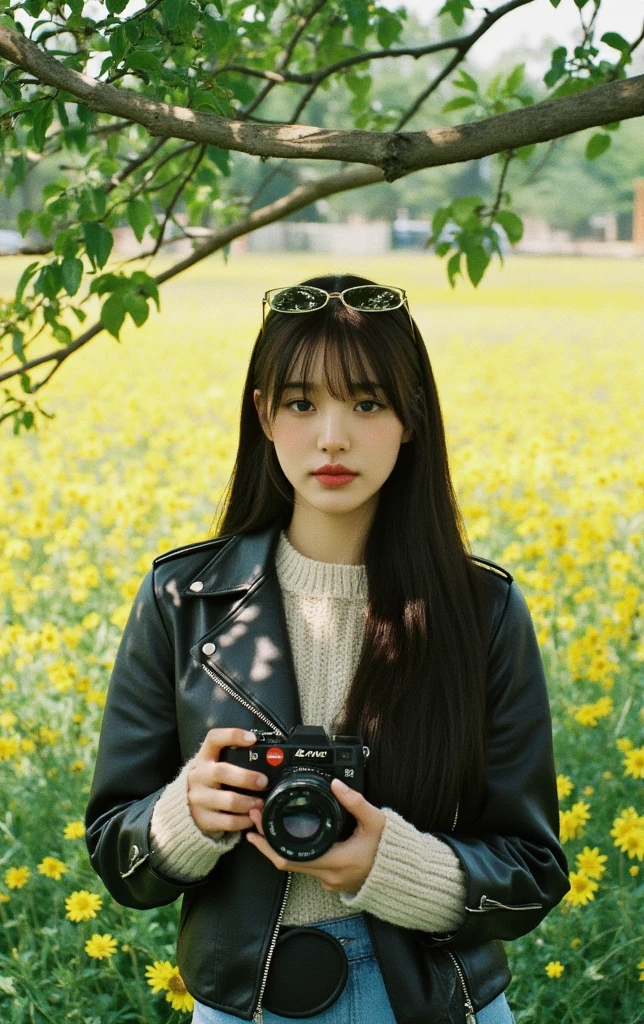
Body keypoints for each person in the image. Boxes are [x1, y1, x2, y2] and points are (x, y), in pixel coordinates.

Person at [85, 273, 570, 1024]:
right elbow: (119, 859)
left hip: (434, 1001)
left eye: (367, 402)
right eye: (301, 403)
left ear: (411, 417)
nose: (332, 437)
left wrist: (394, 867)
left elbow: (531, 870)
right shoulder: (184, 600)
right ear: (263, 416)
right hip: (245, 1004)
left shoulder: (482, 613)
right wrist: (188, 813)